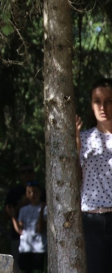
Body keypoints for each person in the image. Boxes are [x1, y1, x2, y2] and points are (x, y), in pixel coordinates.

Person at [76, 78, 112, 273]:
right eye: (97, 101)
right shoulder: (83, 138)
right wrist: (76, 146)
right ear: (91, 104)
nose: (103, 106)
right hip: (92, 220)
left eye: (108, 100)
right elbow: (72, 179)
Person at [7, 181, 47, 273]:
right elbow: (20, 230)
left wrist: (41, 212)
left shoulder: (45, 208)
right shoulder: (23, 210)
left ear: (40, 193)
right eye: (29, 192)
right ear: (26, 194)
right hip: (25, 248)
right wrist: (13, 216)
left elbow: (40, 229)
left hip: (39, 249)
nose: (33, 194)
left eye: (35, 192)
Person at [4, 163, 36, 272]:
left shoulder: (42, 190)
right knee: (18, 267)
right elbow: (7, 214)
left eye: (29, 171)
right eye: (23, 172)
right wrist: (22, 204)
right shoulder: (14, 192)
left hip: (40, 237)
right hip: (18, 236)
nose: (27, 174)